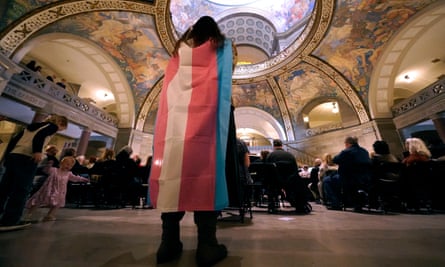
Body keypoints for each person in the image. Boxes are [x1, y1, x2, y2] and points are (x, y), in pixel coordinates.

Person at [149, 16, 235, 266]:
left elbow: (168, 88)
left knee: (172, 179)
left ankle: (168, 244)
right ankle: (207, 246)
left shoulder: (178, 53)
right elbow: (227, 80)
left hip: (174, 127)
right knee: (205, 178)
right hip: (206, 127)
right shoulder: (222, 47)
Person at [0, 114, 68, 230]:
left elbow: (14, 141)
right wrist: (37, 151)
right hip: (27, 157)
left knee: (5, 187)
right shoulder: (52, 126)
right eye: (63, 127)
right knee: (22, 189)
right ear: (61, 123)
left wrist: (6, 157)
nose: (61, 130)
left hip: (14, 155)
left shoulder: (31, 126)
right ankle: (10, 220)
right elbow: (40, 136)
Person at [25, 156, 89, 222]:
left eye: (70, 166)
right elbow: (46, 170)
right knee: (38, 200)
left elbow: (76, 178)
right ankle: (29, 214)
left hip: (60, 191)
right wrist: (48, 165)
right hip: (48, 189)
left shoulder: (68, 174)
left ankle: (50, 215)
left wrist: (84, 179)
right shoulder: (54, 170)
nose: (68, 166)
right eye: (67, 164)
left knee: (57, 204)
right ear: (61, 163)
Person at [266, 139, 312, 214]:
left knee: (270, 184)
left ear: (273, 146)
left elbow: (267, 170)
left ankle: (272, 206)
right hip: (290, 182)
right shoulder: (290, 155)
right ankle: (299, 204)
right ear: (282, 145)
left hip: (275, 182)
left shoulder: (270, 155)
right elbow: (295, 170)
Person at [332, 136, 372, 211]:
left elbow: (335, 160)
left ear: (348, 143)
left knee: (328, 180)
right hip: (365, 179)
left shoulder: (346, 151)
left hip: (349, 178)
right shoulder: (364, 151)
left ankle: (336, 203)